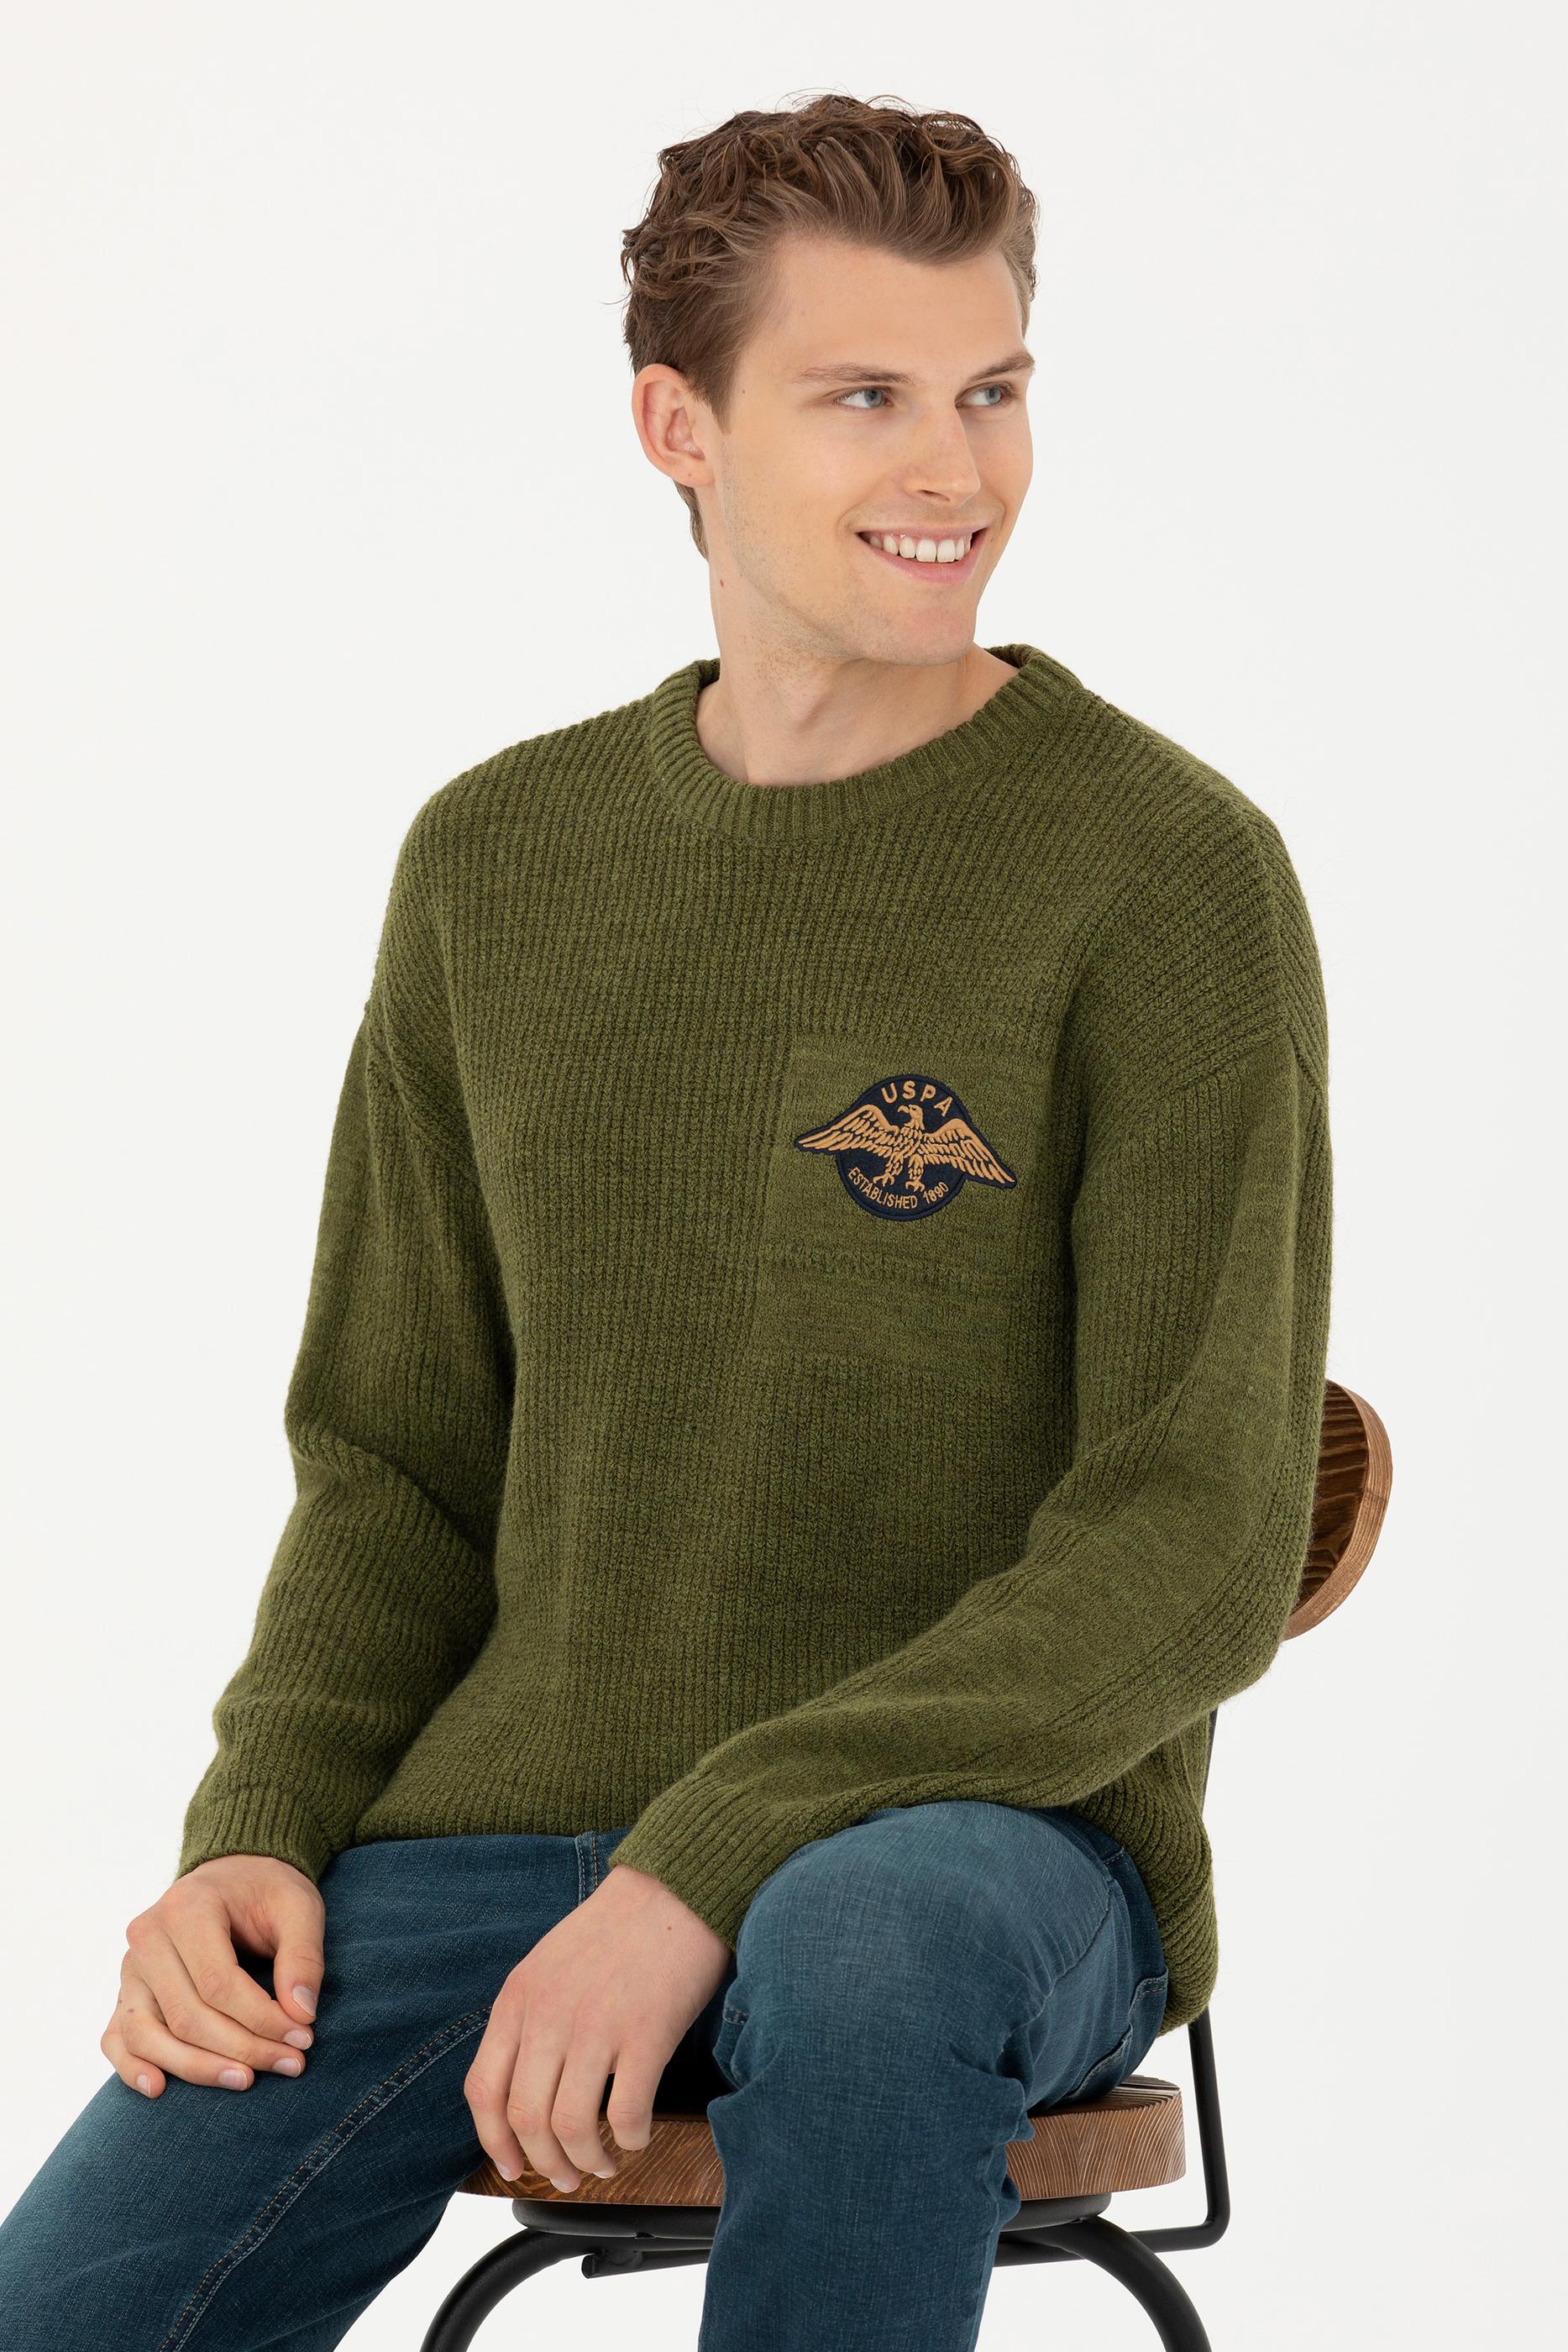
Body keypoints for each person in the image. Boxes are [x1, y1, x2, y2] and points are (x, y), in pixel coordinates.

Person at [0, 90, 1333, 2352]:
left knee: (862, 1936)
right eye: (864, 396)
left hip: (990, 1848)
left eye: (993, 390)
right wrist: (257, 1824)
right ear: (675, 427)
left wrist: (709, 1858)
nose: (957, 468)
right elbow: (398, 1461)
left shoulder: (1164, 877)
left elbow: (1193, 1535)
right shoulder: (498, 865)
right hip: (513, 1841)